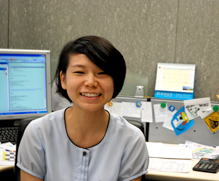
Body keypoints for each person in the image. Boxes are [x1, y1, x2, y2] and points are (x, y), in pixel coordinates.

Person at [17, 35, 149, 181]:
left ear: (115, 81)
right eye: (80, 72)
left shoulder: (131, 140)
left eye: (102, 73)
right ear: (63, 80)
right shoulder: (38, 133)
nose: (91, 82)